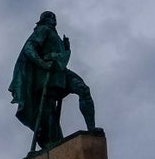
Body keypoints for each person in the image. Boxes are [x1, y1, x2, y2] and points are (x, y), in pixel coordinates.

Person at [9, 11, 96, 149]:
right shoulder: (43, 30)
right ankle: (50, 141)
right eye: (49, 17)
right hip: (48, 76)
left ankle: (92, 128)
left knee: (83, 90)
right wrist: (42, 63)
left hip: (61, 73)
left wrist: (67, 49)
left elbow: (62, 61)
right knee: (49, 113)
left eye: (54, 17)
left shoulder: (55, 36)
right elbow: (29, 48)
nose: (53, 19)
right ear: (44, 20)